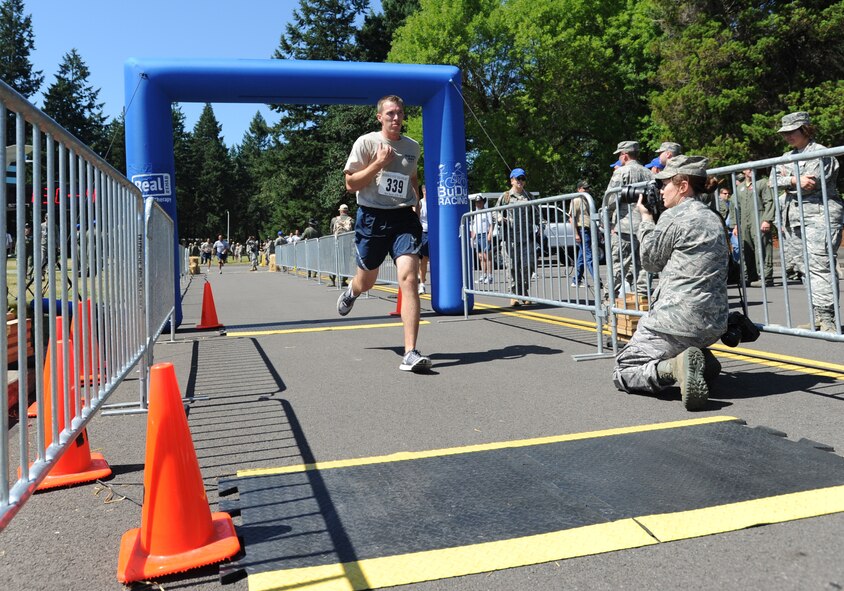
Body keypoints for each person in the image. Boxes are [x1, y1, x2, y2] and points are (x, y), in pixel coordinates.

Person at [613, 155, 729, 411]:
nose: (660, 190)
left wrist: (645, 220)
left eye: (665, 184)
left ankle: (673, 368)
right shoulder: (714, 218)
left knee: (624, 369)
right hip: (713, 323)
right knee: (682, 344)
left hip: (675, 321)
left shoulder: (674, 217)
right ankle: (702, 360)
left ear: (683, 185)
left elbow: (650, 262)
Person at [336, 94, 431, 373]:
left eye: (400, 113)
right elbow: (351, 184)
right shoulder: (366, 143)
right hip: (372, 218)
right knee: (367, 280)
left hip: (403, 218)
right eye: (390, 113)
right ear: (380, 117)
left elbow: (412, 177)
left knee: (409, 279)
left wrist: (415, 204)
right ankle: (352, 291)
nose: (396, 118)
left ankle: (410, 352)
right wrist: (377, 163)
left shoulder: (412, 147)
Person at [771, 111, 842, 332]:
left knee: (820, 265)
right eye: (785, 133)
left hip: (820, 216)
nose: (788, 137)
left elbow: (811, 182)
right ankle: (818, 316)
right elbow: (772, 180)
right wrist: (793, 179)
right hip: (795, 217)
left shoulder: (821, 153)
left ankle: (829, 317)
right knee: (803, 267)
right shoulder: (786, 155)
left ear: (805, 129)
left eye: (793, 132)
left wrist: (788, 180)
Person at [604, 141, 654, 298]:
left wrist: (605, 215)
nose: (619, 158)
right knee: (644, 265)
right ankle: (642, 298)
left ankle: (609, 299)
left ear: (624, 155)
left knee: (619, 265)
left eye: (620, 155)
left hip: (625, 226)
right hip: (645, 223)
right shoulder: (648, 173)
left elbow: (611, 198)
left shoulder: (621, 173)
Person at [495, 168, 538, 306]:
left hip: (527, 239)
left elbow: (537, 214)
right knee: (512, 267)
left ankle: (524, 293)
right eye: (517, 179)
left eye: (522, 179)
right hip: (510, 239)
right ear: (512, 180)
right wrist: (501, 218)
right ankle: (513, 295)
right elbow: (494, 212)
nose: (520, 181)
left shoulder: (529, 196)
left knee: (528, 266)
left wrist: (541, 226)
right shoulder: (506, 196)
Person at [734, 168, 775, 286]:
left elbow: (769, 202)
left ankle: (766, 277)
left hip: (759, 219)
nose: (751, 171)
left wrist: (767, 220)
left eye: (753, 168)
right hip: (744, 222)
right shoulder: (740, 187)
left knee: (762, 247)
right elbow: (737, 207)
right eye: (748, 169)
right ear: (743, 171)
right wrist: (736, 224)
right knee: (747, 249)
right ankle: (752, 277)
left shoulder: (762, 183)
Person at [569, 180, 594, 287]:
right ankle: (597, 280)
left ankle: (576, 279)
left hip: (588, 229)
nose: (587, 190)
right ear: (579, 189)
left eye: (588, 188)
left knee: (582, 256)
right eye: (584, 188)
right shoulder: (577, 200)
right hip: (581, 229)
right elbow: (571, 218)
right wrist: (576, 234)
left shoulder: (587, 200)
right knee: (588, 256)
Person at [470, 194, 493, 284]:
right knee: (480, 257)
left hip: (485, 234)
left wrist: (489, 234)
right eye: (477, 203)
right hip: (478, 236)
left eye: (480, 202)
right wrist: (473, 238)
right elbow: (475, 228)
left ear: (483, 202)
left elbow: (491, 224)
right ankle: (483, 275)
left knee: (487, 256)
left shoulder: (487, 212)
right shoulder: (476, 214)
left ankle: (490, 275)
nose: (478, 204)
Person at [329, 204, 354, 287]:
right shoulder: (351, 220)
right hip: (347, 244)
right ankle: (343, 280)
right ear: (347, 211)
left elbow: (331, 231)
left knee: (334, 261)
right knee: (346, 262)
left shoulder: (334, 220)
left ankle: (332, 280)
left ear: (340, 211)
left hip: (336, 243)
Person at [416, 185, 429, 294]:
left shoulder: (434, 202)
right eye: (425, 190)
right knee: (424, 259)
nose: (426, 192)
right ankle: (422, 284)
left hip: (434, 232)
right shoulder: (420, 203)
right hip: (423, 232)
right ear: (422, 191)